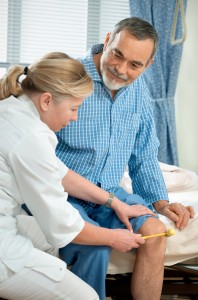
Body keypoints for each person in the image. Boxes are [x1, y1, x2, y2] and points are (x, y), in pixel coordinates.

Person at [56, 18, 195, 300]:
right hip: (64, 194)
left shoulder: (139, 91)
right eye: (117, 54)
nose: (121, 69)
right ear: (107, 40)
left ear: (149, 65)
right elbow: (36, 152)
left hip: (111, 193)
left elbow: (144, 154)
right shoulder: (67, 76)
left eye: (135, 65)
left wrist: (162, 203)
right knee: (94, 247)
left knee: (155, 233)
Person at [0, 52, 155, 300]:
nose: (75, 118)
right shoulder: (31, 137)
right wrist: (114, 237)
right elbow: (61, 224)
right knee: (87, 297)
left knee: (49, 243)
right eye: (74, 108)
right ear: (47, 101)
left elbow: (60, 174)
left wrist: (114, 202)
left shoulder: (12, 109)